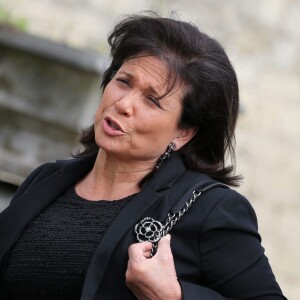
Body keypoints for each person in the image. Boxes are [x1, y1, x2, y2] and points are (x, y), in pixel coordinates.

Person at [0, 13, 286, 300]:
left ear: (183, 133)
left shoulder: (211, 210)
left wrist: (173, 296)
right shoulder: (47, 179)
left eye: (152, 100)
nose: (123, 104)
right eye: (123, 81)